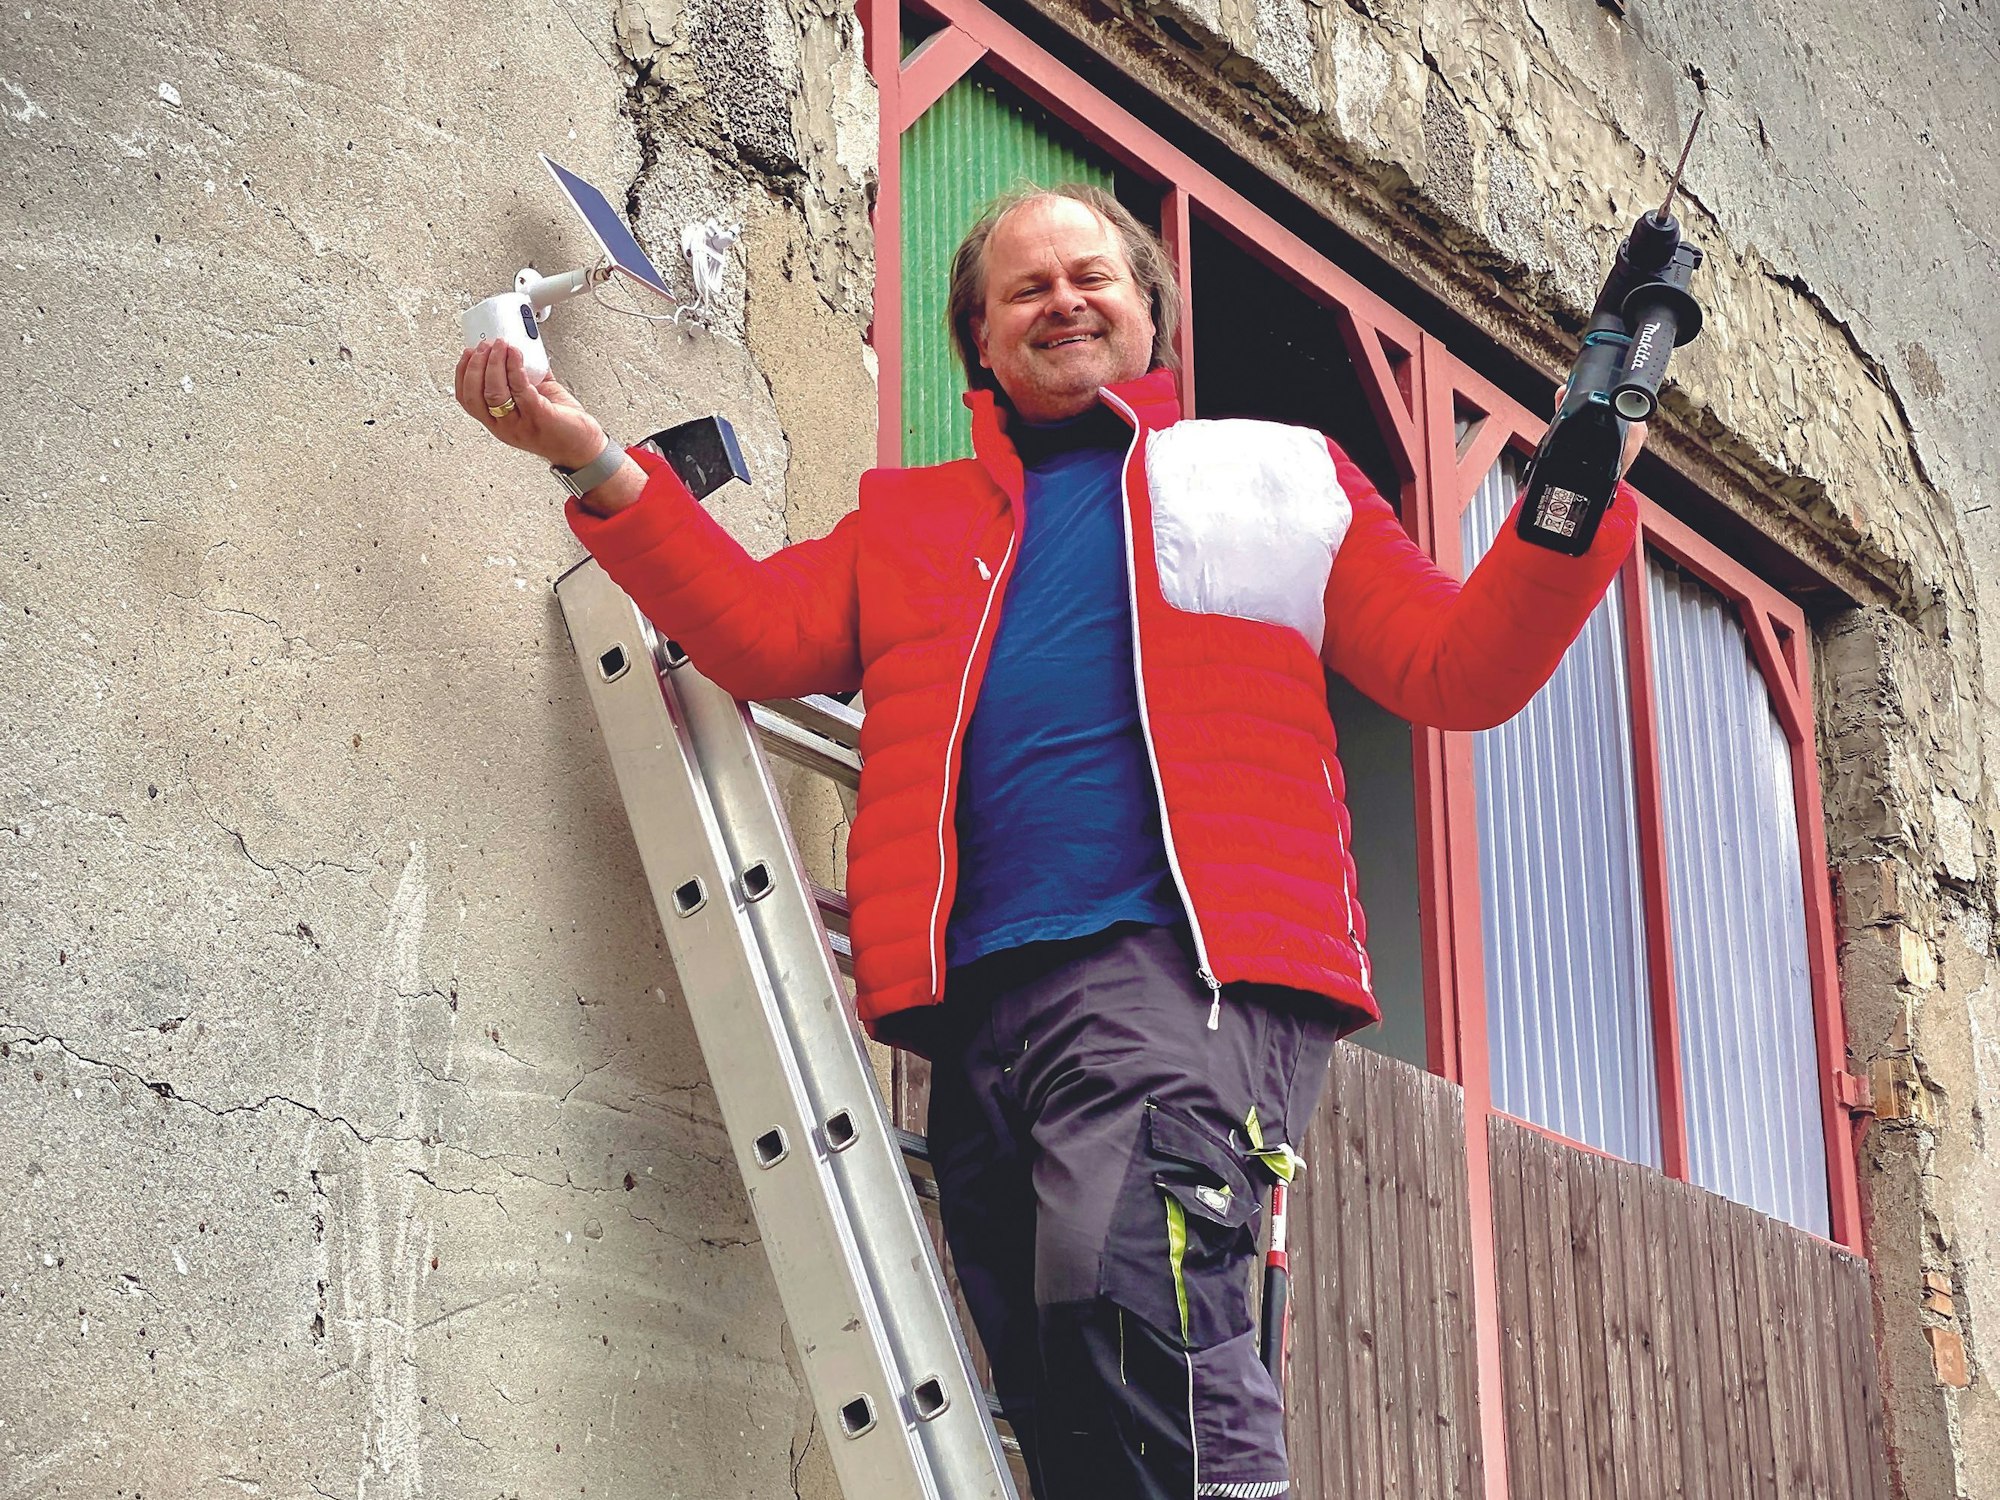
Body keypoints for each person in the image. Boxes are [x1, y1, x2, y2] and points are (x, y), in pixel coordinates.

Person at [455, 183, 1643, 1500]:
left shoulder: (1276, 477)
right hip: (977, 1007)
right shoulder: (910, 521)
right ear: (981, 339)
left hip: (1182, 967)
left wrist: (1571, 493)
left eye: (1094, 278)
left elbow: (1456, 670)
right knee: (1051, 1380)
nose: (1065, 301)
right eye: (1027, 289)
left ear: (1150, 311)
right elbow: (752, 633)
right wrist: (585, 457)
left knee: (1132, 1289)